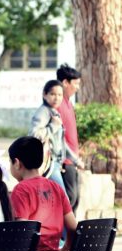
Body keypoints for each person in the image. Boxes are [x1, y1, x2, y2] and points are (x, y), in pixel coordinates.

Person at [29, 80, 69, 197]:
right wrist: (53, 126)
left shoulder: (53, 112)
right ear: (44, 94)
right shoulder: (43, 112)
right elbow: (34, 134)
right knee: (63, 200)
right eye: (52, 94)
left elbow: (60, 142)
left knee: (55, 200)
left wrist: (75, 160)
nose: (56, 98)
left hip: (55, 163)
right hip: (48, 164)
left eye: (60, 95)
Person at [56, 64, 84, 212]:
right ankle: (62, 235)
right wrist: (73, 158)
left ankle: (69, 235)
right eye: (76, 84)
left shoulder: (68, 103)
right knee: (69, 199)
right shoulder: (58, 104)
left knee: (75, 200)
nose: (78, 87)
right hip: (65, 161)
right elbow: (59, 137)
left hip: (73, 160)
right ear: (65, 82)